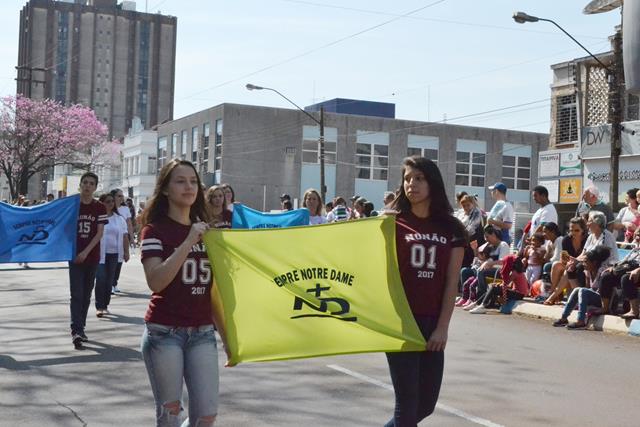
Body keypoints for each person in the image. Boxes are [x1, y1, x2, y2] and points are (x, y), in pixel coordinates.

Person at [139, 159, 231, 426]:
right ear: (165, 189)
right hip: (163, 333)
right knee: (170, 415)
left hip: (202, 333)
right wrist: (189, 241)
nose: (189, 187)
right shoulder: (154, 230)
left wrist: (228, 338)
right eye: (180, 181)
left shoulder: (209, 232)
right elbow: (156, 281)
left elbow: (214, 292)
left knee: (206, 416)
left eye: (193, 181)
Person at [385, 156, 466, 426]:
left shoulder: (452, 227)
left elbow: (452, 281)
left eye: (419, 178)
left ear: (433, 183)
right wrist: (378, 227)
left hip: (432, 322)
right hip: (400, 321)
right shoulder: (392, 223)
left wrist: (442, 327)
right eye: (407, 179)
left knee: (425, 405)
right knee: (407, 404)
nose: (412, 184)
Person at [70, 172, 107, 350]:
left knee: (86, 294)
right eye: (85, 182)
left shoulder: (99, 207)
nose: (87, 186)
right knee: (76, 294)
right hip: (74, 256)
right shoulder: (72, 204)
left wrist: (85, 252)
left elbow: (99, 233)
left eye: (91, 183)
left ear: (95, 187)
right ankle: (76, 330)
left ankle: (81, 327)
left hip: (91, 256)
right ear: (80, 184)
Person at [552, 246, 610, 329]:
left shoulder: (602, 271)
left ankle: (581, 321)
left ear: (594, 263)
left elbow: (602, 291)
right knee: (578, 289)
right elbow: (588, 287)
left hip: (603, 299)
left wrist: (586, 293)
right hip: (594, 296)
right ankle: (564, 318)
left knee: (582, 290)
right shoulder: (587, 271)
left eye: (586, 262)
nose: (583, 264)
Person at [95, 193, 130, 317]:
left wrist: (126, 252)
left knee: (109, 281)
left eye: (112, 201)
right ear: (101, 203)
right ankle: (99, 307)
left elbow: (125, 236)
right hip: (100, 254)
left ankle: (105, 305)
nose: (110, 204)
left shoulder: (119, 219)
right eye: (107, 201)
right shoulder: (97, 218)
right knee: (101, 279)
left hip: (114, 254)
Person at [461, 225, 510, 311]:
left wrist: (489, 263)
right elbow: (481, 259)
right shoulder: (491, 247)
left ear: (493, 235)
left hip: (500, 271)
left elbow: (503, 262)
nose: (486, 239)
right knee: (468, 271)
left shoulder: (503, 245)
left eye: (487, 237)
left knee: (482, 272)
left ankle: (480, 300)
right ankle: (470, 298)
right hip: (490, 270)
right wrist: (475, 250)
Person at [544, 218, 588, 305]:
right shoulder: (566, 240)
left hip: (582, 265)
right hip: (570, 264)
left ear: (583, 230)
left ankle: (552, 296)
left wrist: (574, 261)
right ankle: (554, 292)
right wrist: (565, 260)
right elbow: (564, 258)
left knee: (569, 269)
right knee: (556, 265)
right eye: (571, 230)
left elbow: (586, 256)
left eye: (576, 230)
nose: (573, 233)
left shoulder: (587, 239)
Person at [110, 189, 134, 294]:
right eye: (119, 196)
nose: (121, 198)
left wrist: (132, 238)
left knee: (119, 262)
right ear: (113, 197)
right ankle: (110, 283)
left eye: (122, 196)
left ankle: (114, 283)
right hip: (111, 238)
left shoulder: (125, 209)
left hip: (122, 238)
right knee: (110, 262)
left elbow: (129, 224)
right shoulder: (108, 207)